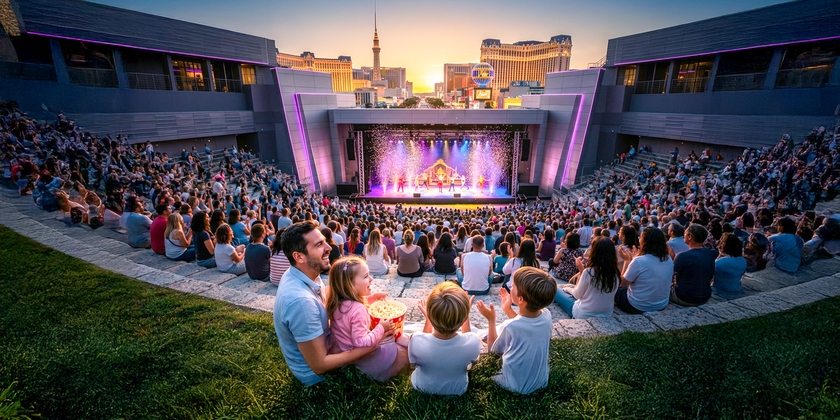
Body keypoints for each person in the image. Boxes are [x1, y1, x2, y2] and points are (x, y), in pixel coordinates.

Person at [273, 221, 375, 386]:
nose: (329, 247)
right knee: (397, 352)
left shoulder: (303, 272)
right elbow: (320, 365)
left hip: (333, 344)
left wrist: (367, 300)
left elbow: (329, 307)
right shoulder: (301, 302)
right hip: (316, 375)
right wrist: (366, 349)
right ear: (299, 257)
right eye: (319, 244)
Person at [326, 256, 408, 382]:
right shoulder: (359, 310)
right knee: (402, 350)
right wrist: (381, 327)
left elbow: (351, 311)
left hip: (342, 348)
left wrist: (372, 297)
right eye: (365, 277)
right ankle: (380, 372)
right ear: (350, 285)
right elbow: (362, 343)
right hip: (361, 356)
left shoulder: (337, 302)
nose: (371, 279)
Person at [476, 266, 555, 394]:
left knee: (482, 335)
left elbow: (493, 351)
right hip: (541, 381)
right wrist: (508, 310)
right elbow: (525, 326)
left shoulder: (510, 326)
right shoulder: (547, 316)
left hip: (514, 385)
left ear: (520, 299)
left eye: (513, 286)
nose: (510, 287)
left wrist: (491, 319)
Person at [408, 282, 480, 395]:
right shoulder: (474, 341)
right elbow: (468, 339)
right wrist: (465, 314)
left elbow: (415, 360)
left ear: (431, 316)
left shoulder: (415, 340)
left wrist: (428, 319)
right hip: (458, 390)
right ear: (464, 318)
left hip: (421, 387)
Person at [554, 238, 620, 319]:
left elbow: (577, 295)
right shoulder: (616, 273)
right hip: (606, 313)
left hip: (584, 313)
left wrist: (567, 289)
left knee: (556, 290)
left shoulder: (589, 272)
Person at [615, 227, 674, 314]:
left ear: (644, 241)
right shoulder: (668, 258)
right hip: (661, 304)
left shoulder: (639, 261)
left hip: (637, 305)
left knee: (615, 288)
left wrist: (627, 261)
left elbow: (623, 283)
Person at [670, 224, 718, 306]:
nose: (683, 235)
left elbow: (669, 274)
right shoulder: (712, 253)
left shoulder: (683, 256)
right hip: (704, 295)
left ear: (690, 236)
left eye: (685, 233)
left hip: (685, 297)